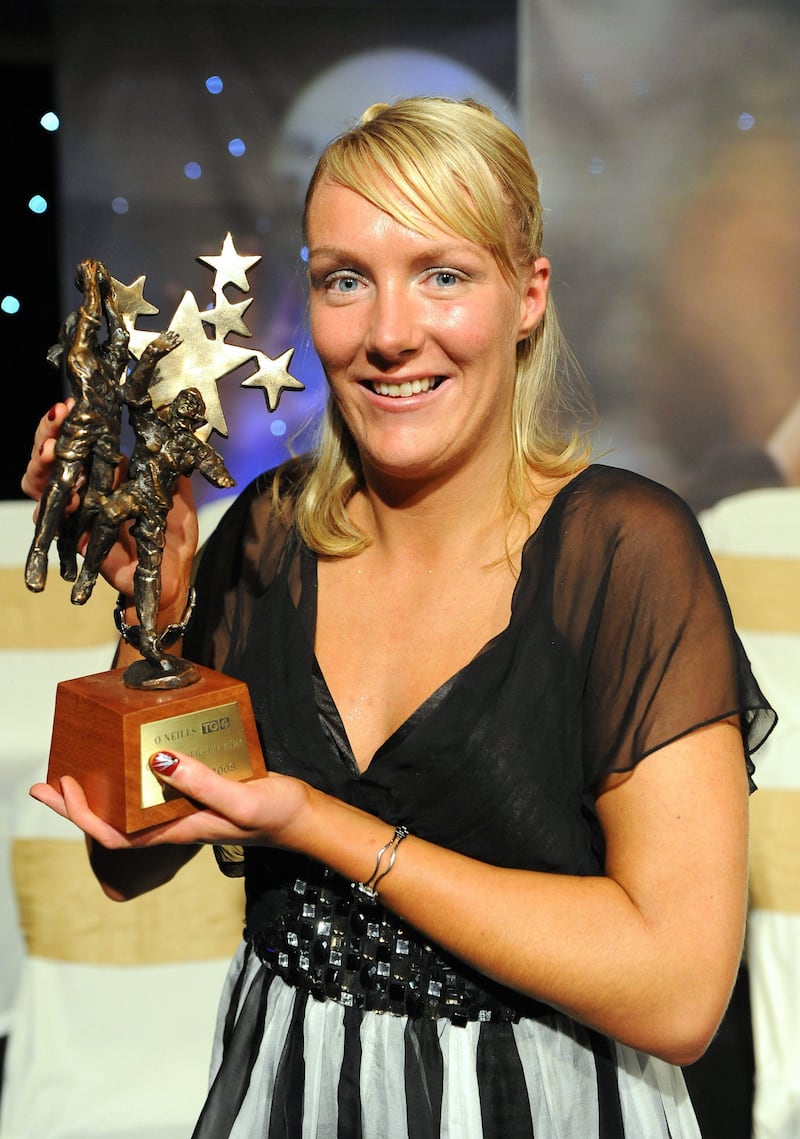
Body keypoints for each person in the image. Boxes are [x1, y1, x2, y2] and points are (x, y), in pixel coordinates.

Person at [22, 96, 776, 1138]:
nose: (386, 333)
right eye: (344, 279)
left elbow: (678, 992)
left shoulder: (620, 551)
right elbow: (128, 857)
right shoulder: (270, 536)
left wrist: (318, 823)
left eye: (441, 274)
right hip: (286, 1093)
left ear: (526, 296)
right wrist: (153, 614)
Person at [70, 329, 235, 684]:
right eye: (183, 405)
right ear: (173, 407)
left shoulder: (192, 448)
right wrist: (151, 357)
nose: (185, 413)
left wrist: (220, 474)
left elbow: (215, 469)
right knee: (108, 513)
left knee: (150, 574)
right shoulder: (151, 426)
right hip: (135, 492)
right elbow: (133, 393)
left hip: (155, 511)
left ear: (195, 421)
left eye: (192, 412)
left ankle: (150, 639)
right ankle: (86, 574)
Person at [25, 257, 129, 593]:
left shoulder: (110, 366)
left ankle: (69, 543)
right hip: (80, 430)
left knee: (97, 502)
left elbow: (120, 336)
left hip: (107, 442)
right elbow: (87, 320)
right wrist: (91, 288)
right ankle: (39, 552)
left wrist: (109, 296)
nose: (87, 332)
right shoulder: (78, 358)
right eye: (80, 332)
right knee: (64, 482)